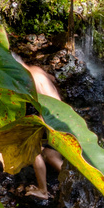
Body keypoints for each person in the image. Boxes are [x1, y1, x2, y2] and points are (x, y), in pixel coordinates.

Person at [14, 55, 64, 200]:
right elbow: (53, 80)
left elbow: (44, 107)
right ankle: (80, 182)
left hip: (51, 118)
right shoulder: (37, 70)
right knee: (51, 156)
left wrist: (37, 128)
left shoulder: (32, 79)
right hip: (62, 116)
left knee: (34, 150)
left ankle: (43, 190)